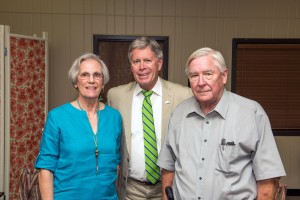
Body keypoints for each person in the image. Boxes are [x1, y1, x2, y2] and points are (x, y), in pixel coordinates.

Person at [157, 47, 286, 200]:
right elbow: (168, 170)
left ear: (224, 76)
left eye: (208, 74)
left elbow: (268, 179)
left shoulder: (252, 114)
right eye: (194, 76)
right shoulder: (178, 114)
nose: (200, 82)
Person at [107, 36, 192, 199]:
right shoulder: (116, 96)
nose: (142, 67)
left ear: (159, 64)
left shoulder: (183, 95)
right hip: (131, 188)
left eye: (147, 60)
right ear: (131, 66)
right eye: (136, 61)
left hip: (169, 186)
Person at [35, 53, 122, 199]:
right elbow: (46, 168)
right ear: (76, 82)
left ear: (103, 82)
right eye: (85, 75)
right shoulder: (57, 117)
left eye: (97, 75)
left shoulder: (114, 117)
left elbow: (117, 164)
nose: (91, 80)